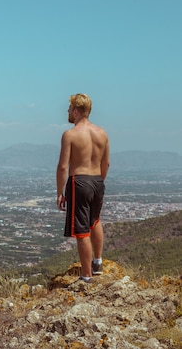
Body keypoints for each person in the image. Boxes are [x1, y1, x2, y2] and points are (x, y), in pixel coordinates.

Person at [56, 93, 110, 282]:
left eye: (70, 108)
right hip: (97, 180)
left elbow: (63, 166)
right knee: (94, 220)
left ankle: (86, 276)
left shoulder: (70, 135)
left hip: (79, 181)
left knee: (81, 230)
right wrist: (98, 181)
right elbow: (107, 163)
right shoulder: (102, 133)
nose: (68, 111)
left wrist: (60, 192)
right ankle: (98, 262)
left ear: (76, 111)